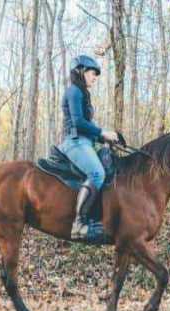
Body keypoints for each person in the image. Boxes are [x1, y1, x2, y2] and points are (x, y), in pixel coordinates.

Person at [58, 55, 119, 240]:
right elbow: (78, 122)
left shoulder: (83, 93)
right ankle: (79, 224)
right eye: (93, 73)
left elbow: (86, 126)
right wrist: (102, 133)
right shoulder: (74, 91)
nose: (95, 77)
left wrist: (105, 139)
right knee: (97, 174)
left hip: (85, 142)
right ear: (81, 71)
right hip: (74, 142)